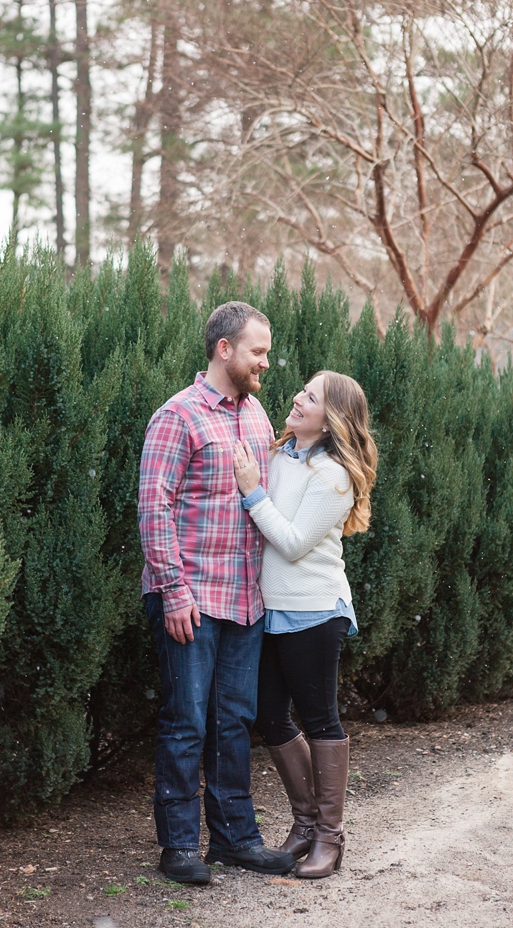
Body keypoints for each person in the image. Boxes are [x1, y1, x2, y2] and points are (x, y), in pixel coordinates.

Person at [138, 301, 296, 885]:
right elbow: (153, 507)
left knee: (234, 722)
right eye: (258, 351)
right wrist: (174, 591)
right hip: (192, 602)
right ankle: (179, 847)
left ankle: (235, 841)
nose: (266, 362)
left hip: (245, 601)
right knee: (186, 722)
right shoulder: (177, 416)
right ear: (224, 349)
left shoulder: (256, 416)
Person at [233, 370, 377, 879]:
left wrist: (252, 493)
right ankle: (305, 821)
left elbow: (292, 543)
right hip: (271, 611)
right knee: (270, 717)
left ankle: (330, 838)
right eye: (302, 390)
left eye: (310, 397)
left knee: (320, 720)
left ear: (331, 417)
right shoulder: (279, 455)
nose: (297, 398)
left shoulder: (334, 475)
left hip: (316, 611)